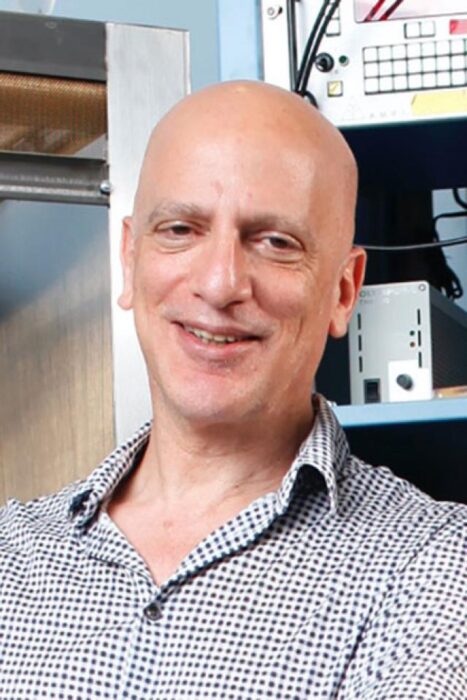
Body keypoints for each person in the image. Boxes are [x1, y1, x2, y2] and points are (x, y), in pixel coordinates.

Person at [0, 81, 465, 699]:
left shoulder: (433, 567)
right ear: (129, 259)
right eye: (180, 229)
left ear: (343, 291)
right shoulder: (11, 559)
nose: (220, 284)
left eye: (275, 242)